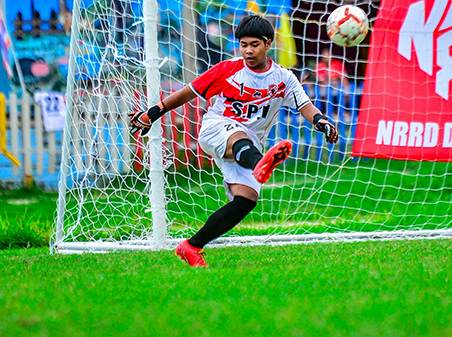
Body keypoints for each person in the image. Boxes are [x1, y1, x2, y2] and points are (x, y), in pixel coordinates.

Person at [128, 15, 339, 267]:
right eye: (243, 44)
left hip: (249, 145)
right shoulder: (228, 70)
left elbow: (304, 105)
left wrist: (321, 121)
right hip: (217, 128)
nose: (248, 50)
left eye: (254, 45)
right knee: (239, 136)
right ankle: (260, 164)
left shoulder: (283, 78)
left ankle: (191, 246)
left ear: (268, 43)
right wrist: (153, 113)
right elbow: (188, 92)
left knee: (245, 200)